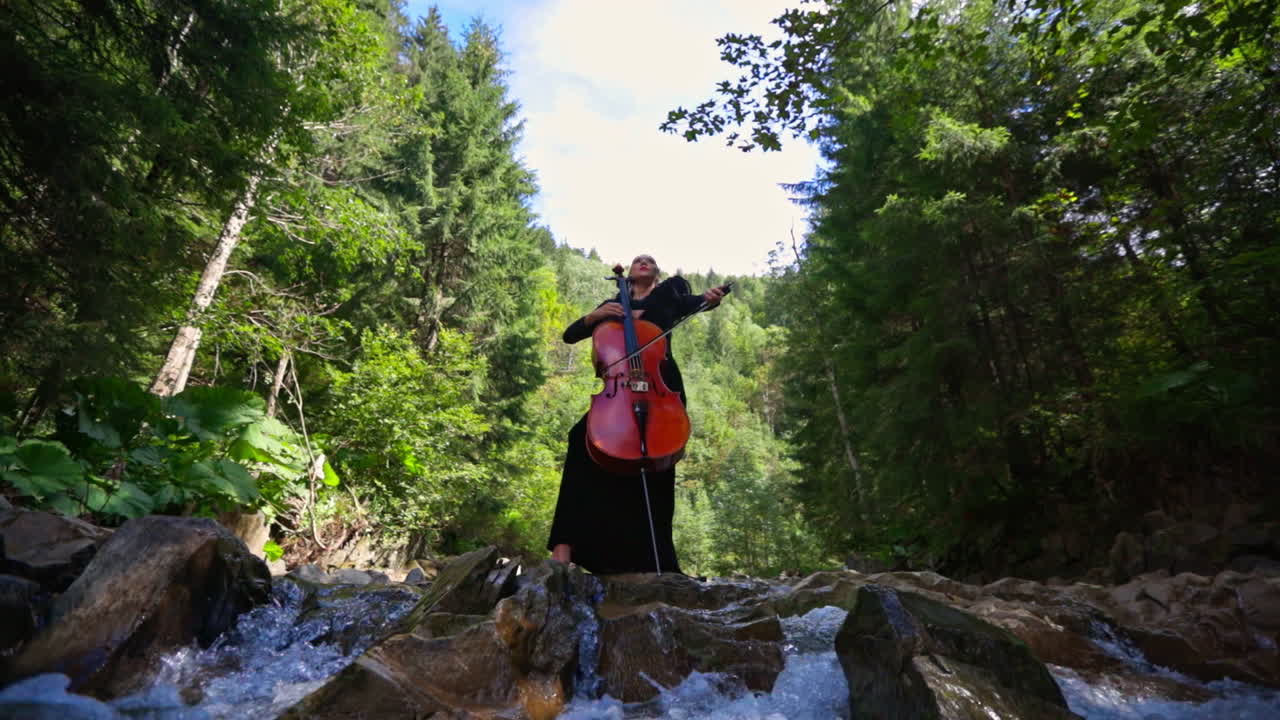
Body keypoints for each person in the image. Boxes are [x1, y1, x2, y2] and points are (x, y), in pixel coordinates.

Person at [546, 254, 726, 574]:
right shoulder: (613, 304)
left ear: (656, 272)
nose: (644, 261)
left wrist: (710, 299)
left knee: (658, 463)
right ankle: (564, 546)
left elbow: (697, 302)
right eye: (638, 260)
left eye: (650, 260)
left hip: (660, 385)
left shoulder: (669, 293)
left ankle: (659, 560)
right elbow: (570, 335)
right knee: (580, 440)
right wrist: (595, 316)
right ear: (628, 274)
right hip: (618, 392)